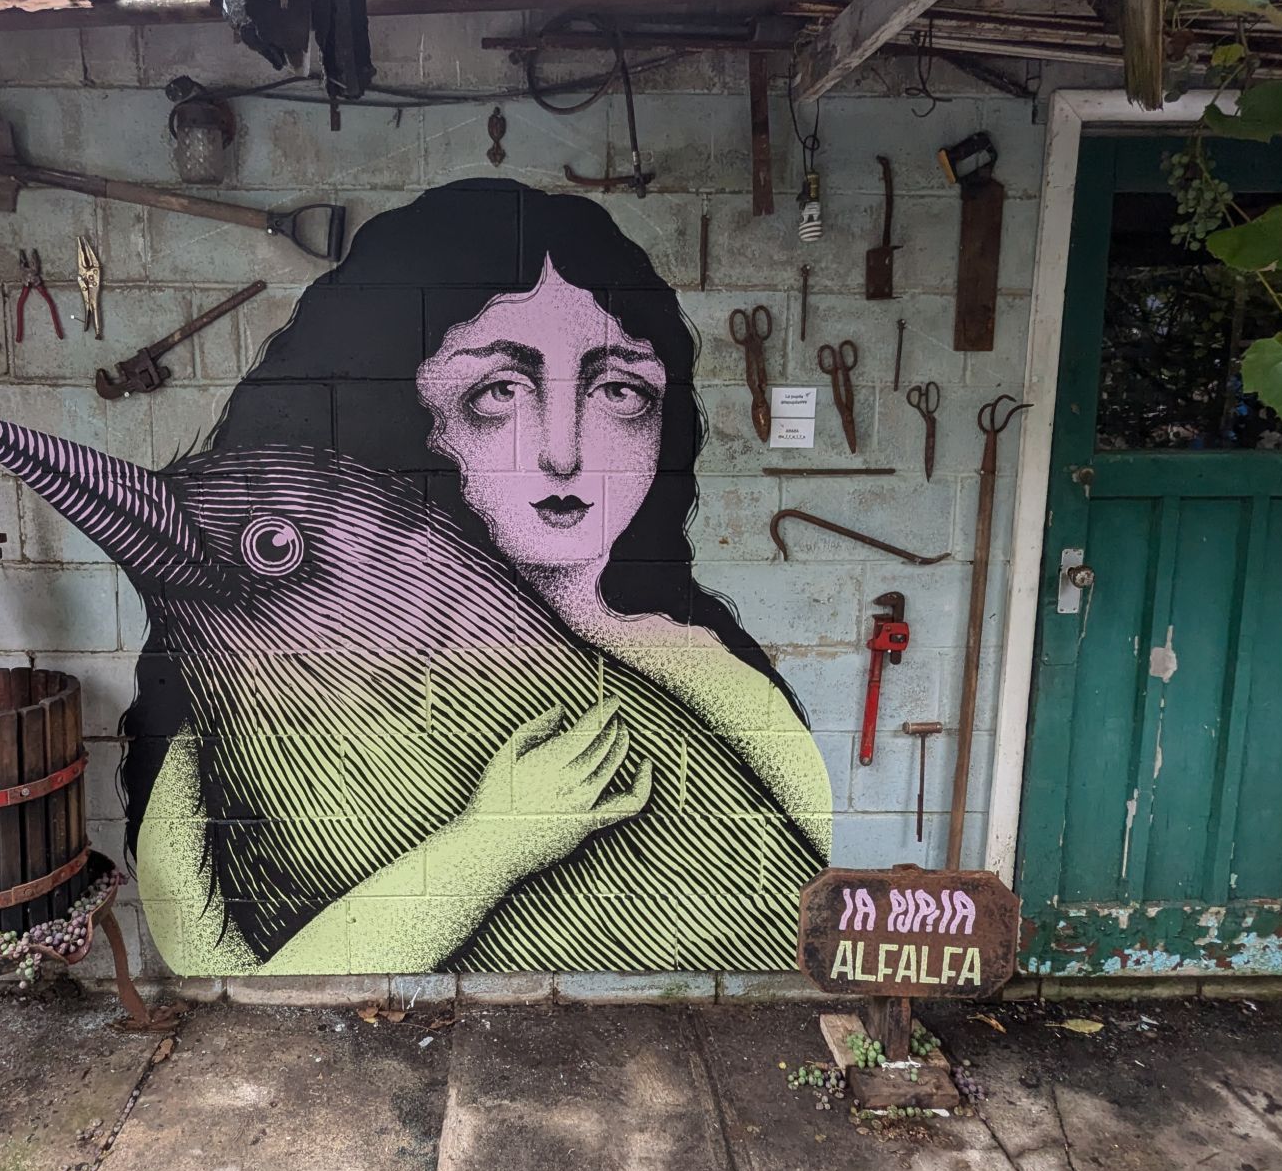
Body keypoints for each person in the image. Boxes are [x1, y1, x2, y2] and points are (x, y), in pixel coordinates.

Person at [127, 178, 833, 974]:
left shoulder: (715, 682)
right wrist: (491, 843)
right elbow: (225, 987)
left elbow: (803, 943)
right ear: (401, 411)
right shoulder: (244, 711)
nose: (563, 453)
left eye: (618, 390)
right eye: (499, 390)